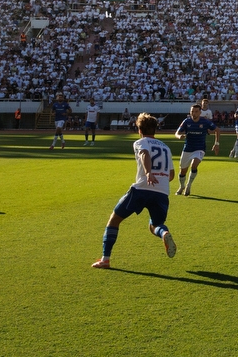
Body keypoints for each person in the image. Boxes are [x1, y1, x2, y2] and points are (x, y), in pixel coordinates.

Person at [91, 113, 177, 269]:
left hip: (142, 189)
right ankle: (164, 233)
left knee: (114, 220)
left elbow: (144, 153)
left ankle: (105, 259)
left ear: (139, 129)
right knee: (156, 225)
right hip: (162, 191)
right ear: (156, 129)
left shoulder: (140, 142)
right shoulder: (166, 147)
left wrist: (149, 172)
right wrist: (159, 179)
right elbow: (171, 175)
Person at [174, 104, 219, 197]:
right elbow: (177, 133)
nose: (193, 114)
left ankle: (188, 185)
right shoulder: (186, 121)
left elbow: (217, 130)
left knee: (194, 165)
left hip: (199, 148)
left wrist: (216, 144)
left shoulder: (205, 121)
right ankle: (181, 186)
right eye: (192, 112)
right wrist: (179, 136)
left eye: (195, 112)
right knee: (182, 171)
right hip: (187, 149)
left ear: (200, 112)